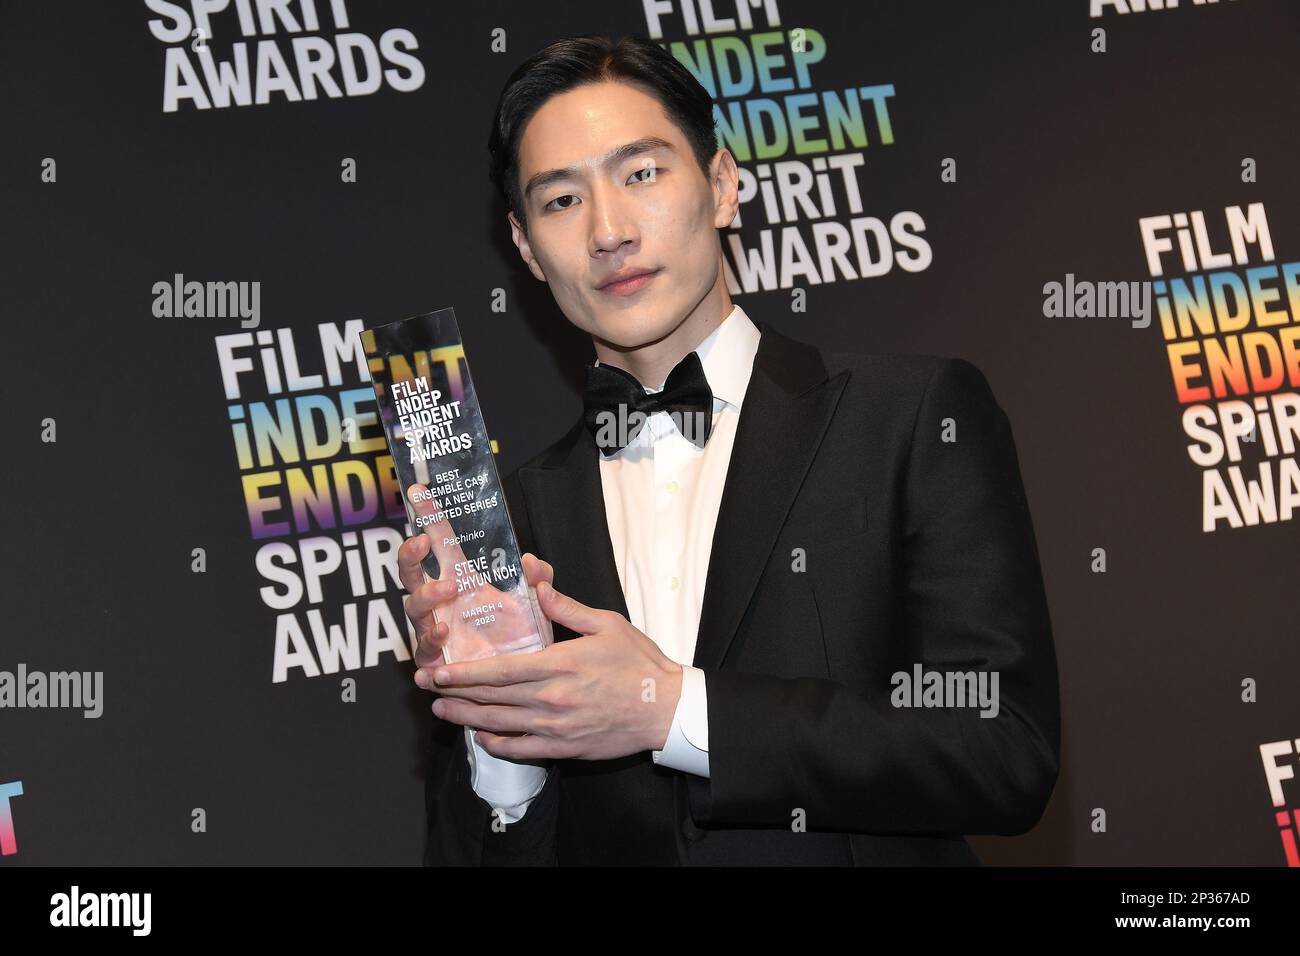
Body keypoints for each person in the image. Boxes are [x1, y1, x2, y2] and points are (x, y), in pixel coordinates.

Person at [398, 33, 1060, 865]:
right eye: (561, 201)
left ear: (720, 185)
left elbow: (1003, 751)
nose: (608, 231)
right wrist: (499, 721)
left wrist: (671, 709)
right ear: (527, 249)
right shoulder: (512, 516)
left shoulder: (911, 415)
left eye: (641, 174)